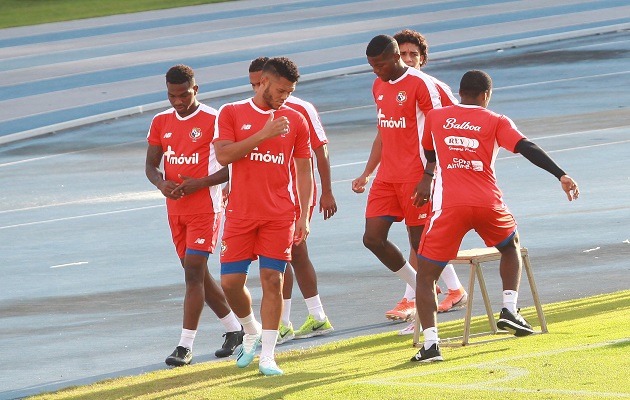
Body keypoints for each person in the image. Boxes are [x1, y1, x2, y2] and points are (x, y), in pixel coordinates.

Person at [411, 70, 580, 362]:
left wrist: (427, 177)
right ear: (486, 95)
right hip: (488, 203)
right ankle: (509, 309)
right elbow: (526, 147)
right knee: (510, 247)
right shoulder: (496, 120)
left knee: (426, 277)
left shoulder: (436, 117)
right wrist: (560, 174)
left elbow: (430, 151)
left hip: (449, 207)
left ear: (460, 92)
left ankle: (431, 346)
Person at [213, 57, 313, 376]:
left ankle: (268, 355)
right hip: (241, 214)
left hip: (279, 214)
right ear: (264, 83)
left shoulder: (296, 119)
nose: (285, 97)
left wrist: (304, 215)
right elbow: (224, 155)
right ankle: (251, 330)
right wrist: (264, 134)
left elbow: (304, 170)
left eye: (290, 91)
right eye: (281, 90)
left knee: (273, 280)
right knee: (230, 283)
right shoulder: (231, 112)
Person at [145, 64, 243, 367]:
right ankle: (235, 329)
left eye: (183, 95)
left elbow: (232, 165)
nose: (177, 101)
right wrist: (162, 184)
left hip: (206, 208)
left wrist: (201, 183)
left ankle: (184, 346)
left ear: (195, 90)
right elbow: (151, 165)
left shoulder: (215, 120)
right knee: (196, 273)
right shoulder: (161, 121)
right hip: (176, 210)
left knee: (192, 272)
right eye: (172, 95)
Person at [351, 34, 448, 332]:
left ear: (395, 58)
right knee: (372, 238)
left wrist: (429, 175)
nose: (376, 71)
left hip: (416, 176)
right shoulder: (378, 85)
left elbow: (439, 127)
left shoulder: (421, 85)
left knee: (420, 247)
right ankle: (422, 288)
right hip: (387, 179)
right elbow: (384, 131)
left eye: (380, 64)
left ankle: (425, 319)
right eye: (371, 66)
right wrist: (368, 172)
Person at [248, 57, 337, 345]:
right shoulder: (251, 109)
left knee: (282, 255)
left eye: (259, 83)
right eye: (252, 84)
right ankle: (317, 316)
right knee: (296, 253)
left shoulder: (300, 109)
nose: (256, 89)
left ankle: (283, 323)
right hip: (268, 193)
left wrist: (326, 191)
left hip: (295, 193)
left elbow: (320, 149)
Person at [391, 29, 468, 336]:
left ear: (423, 59)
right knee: (418, 237)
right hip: (403, 172)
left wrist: (437, 169)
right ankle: (450, 289)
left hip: (429, 173)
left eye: (413, 55)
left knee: (421, 237)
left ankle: (414, 301)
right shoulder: (389, 86)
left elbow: (457, 120)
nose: (408, 60)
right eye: (402, 54)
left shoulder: (434, 88)